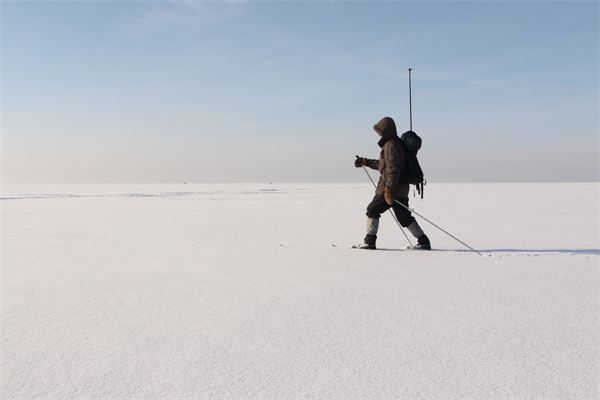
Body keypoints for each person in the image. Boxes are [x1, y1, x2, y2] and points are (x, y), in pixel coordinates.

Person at [354, 116, 431, 250]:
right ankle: (423, 241)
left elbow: (393, 169)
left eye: (379, 131)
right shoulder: (392, 144)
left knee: (372, 210)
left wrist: (388, 190)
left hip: (390, 189)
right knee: (404, 217)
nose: (378, 133)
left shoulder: (391, 145)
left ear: (385, 130)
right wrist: (365, 161)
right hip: (399, 189)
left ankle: (369, 241)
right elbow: (382, 165)